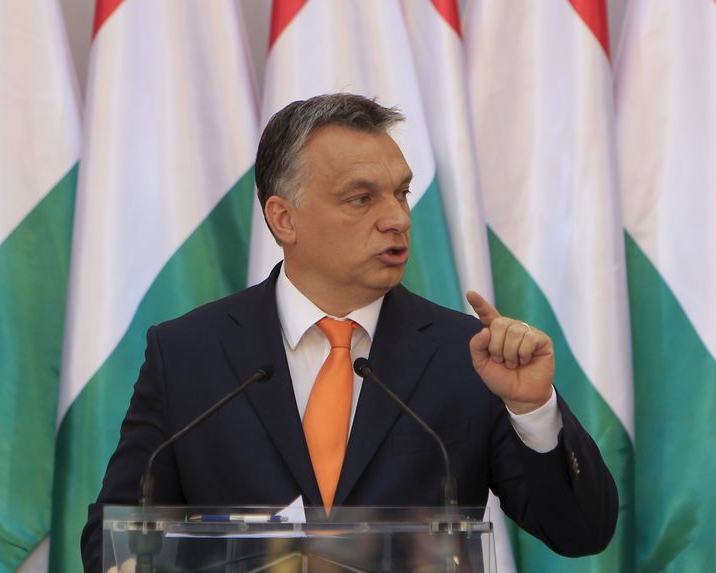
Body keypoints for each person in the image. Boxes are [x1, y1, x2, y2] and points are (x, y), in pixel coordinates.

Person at [81, 93, 618, 571]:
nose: (397, 219)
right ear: (283, 218)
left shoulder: (467, 357)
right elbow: (113, 542)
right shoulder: (188, 354)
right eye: (361, 198)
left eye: (401, 193)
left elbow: (580, 533)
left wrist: (534, 410)